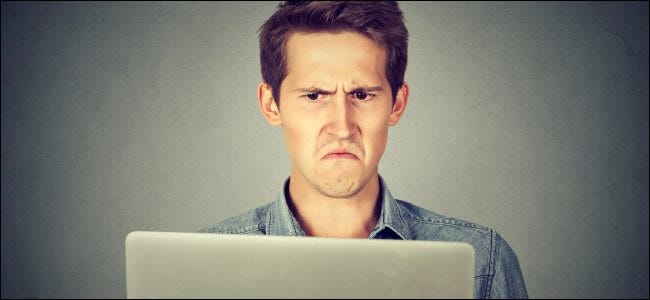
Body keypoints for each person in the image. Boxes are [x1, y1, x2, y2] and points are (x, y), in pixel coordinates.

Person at [201, 1, 528, 298]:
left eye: (362, 95)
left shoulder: (481, 263)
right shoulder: (207, 264)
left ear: (397, 104)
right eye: (315, 96)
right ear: (271, 104)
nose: (342, 127)